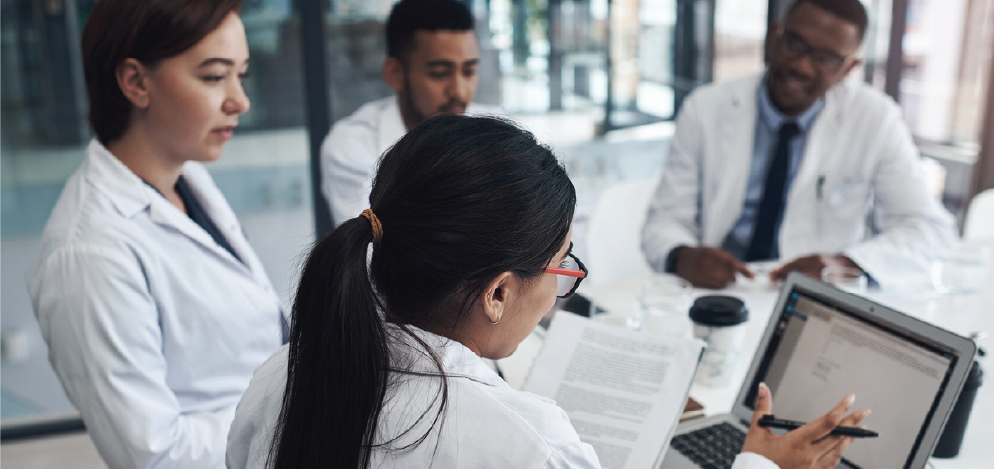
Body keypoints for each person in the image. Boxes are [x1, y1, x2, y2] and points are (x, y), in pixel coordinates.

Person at [226, 116, 868, 469]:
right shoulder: (525, 445)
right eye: (562, 265)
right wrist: (758, 465)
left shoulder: (283, 373)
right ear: (498, 293)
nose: (562, 284)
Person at [27, 1, 286, 467]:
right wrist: (293, 413)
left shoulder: (186, 181)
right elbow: (153, 455)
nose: (240, 100)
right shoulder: (88, 253)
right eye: (213, 76)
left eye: (240, 75)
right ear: (135, 82)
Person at [642, 0, 956, 289]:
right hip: (718, 290)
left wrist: (844, 265)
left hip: (814, 298)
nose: (802, 66)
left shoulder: (876, 119)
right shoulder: (705, 108)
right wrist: (681, 255)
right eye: (794, 44)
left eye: (825, 59)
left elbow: (929, 230)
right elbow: (664, 221)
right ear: (774, 37)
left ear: (848, 69)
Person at [320, 0, 501, 224]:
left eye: (469, 71)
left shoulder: (497, 132)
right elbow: (371, 251)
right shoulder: (352, 146)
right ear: (395, 73)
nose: (459, 91)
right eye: (439, 73)